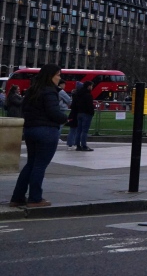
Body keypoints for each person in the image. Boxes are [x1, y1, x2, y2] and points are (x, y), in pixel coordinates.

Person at [9, 64, 65, 207]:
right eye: (58, 74)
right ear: (50, 75)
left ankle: (17, 197)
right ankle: (35, 198)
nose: (60, 78)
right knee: (40, 165)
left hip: (30, 130)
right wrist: (66, 119)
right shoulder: (50, 92)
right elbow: (53, 112)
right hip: (46, 131)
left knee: (31, 164)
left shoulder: (32, 90)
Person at [71, 81, 95, 151]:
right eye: (91, 86)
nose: (92, 87)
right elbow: (90, 106)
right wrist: (92, 112)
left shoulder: (78, 94)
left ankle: (78, 145)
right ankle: (84, 145)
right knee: (84, 131)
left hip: (79, 113)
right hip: (86, 114)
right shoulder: (88, 95)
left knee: (79, 130)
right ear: (88, 86)